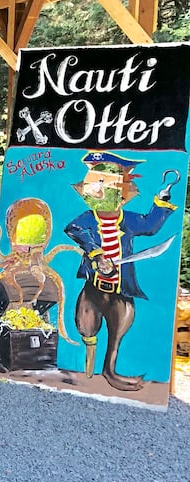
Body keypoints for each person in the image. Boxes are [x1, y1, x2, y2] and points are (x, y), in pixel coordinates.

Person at [64, 151, 179, 391]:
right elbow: (74, 229)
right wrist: (97, 254)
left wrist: (161, 200)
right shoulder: (87, 219)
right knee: (86, 328)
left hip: (120, 291)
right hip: (93, 289)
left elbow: (150, 226)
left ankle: (109, 370)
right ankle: (88, 367)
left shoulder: (127, 220)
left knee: (117, 331)